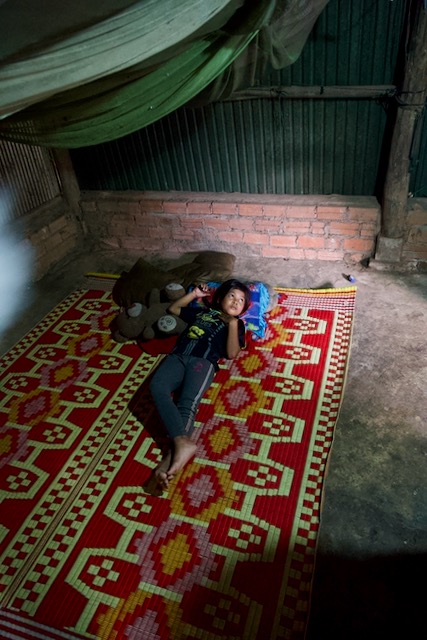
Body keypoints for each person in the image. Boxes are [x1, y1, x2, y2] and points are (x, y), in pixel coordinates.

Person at [149, 278, 251, 493]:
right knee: (157, 387)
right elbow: (174, 308)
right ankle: (182, 442)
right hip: (178, 356)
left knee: (187, 403)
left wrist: (232, 323)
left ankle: (166, 466)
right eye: (231, 295)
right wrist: (195, 295)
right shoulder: (201, 313)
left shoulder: (237, 324)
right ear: (220, 298)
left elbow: (232, 353)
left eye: (241, 300)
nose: (235, 301)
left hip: (203, 363)